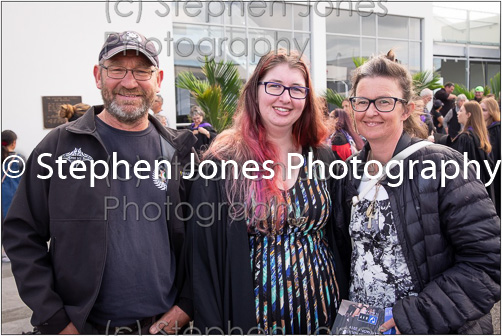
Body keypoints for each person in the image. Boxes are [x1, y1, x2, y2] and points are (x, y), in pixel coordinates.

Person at [2, 31, 196, 334]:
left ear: (158, 79)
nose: (129, 82)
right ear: (98, 75)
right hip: (82, 327)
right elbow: (21, 234)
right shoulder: (58, 148)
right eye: (117, 69)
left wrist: (183, 309)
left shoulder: (179, 152)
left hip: (162, 326)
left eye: (142, 71)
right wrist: (56, 321)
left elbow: (199, 243)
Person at [335, 52, 500, 334]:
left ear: (407, 109)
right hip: (361, 326)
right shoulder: (348, 173)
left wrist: (416, 316)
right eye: (362, 101)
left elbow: (487, 263)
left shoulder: (442, 166)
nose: (370, 111)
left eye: (385, 102)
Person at [187, 49, 348, 334]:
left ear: (307, 98)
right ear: (255, 91)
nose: (285, 98)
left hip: (323, 311)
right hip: (252, 318)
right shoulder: (224, 163)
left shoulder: (322, 157)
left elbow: (340, 236)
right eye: (274, 86)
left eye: (296, 89)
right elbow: (203, 259)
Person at [1, 130, 23, 263]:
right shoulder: (19, 159)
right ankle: (8, 251)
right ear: (13, 143)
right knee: (12, 226)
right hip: (13, 198)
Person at [481, 97, 501, 216]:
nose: (481, 113)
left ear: (491, 112)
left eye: (484, 110)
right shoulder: (485, 130)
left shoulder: (496, 129)